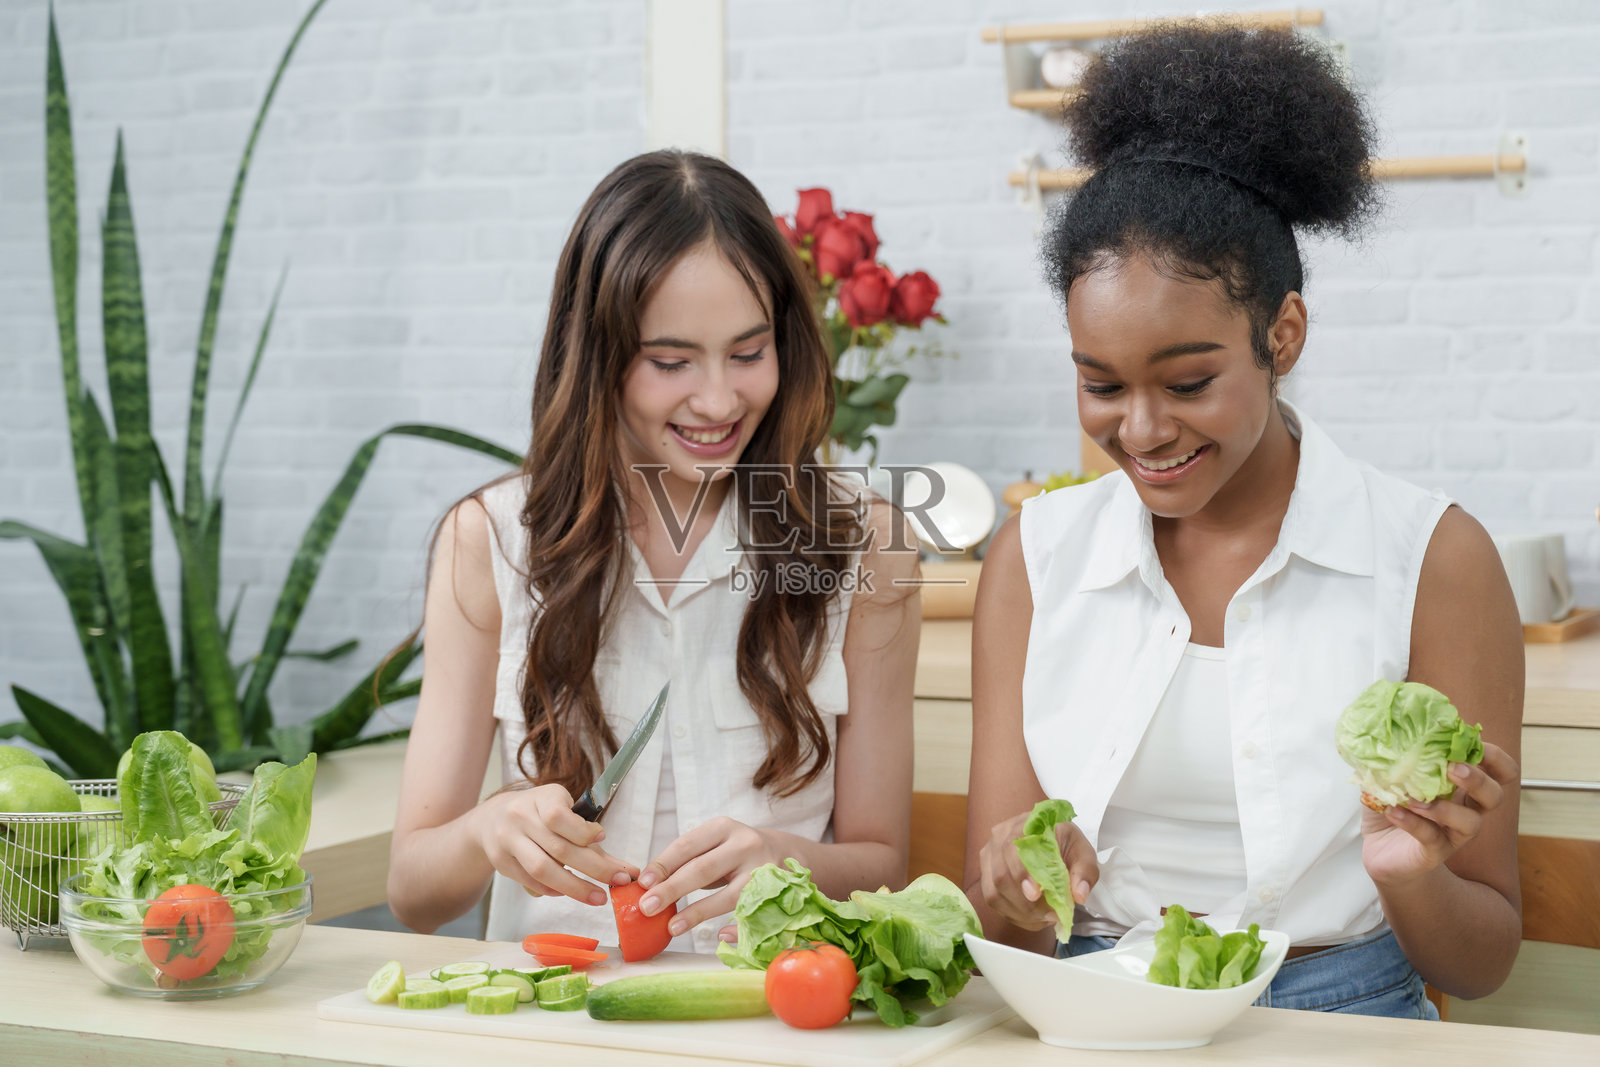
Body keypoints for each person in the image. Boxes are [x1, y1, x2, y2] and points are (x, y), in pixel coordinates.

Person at [965, 25, 1523, 1018]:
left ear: (1283, 334)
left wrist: (1404, 870)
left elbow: (1480, 960)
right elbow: (1007, 924)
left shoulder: (1431, 556)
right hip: (1095, 1004)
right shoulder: (1035, 557)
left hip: (1342, 1012)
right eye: (1100, 384)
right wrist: (1013, 882)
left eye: (1188, 381)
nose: (1139, 428)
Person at [387, 151, 920, 953]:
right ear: (597, 358)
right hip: (553, 1018)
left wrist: (791, 859)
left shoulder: (866, 545)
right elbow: (413, 894)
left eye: (748, 353)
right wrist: (486, 831)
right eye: (671, 362)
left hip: (772, 1016)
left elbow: (886, 866)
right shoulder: (490, 541)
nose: (717, 399)